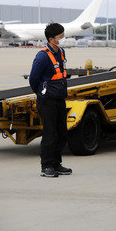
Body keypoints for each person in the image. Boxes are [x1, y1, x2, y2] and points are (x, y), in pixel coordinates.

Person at [29, 23, 72, 178]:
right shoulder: (42, 56)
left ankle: (56, 163)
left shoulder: (61, 52)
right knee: (50, 134)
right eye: (60, 36)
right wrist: (42, 93)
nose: (63, 39)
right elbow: (33, 79)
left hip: (60, 99)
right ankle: (46, 166)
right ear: (51, 39)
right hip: (47, 101)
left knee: (62, 133)